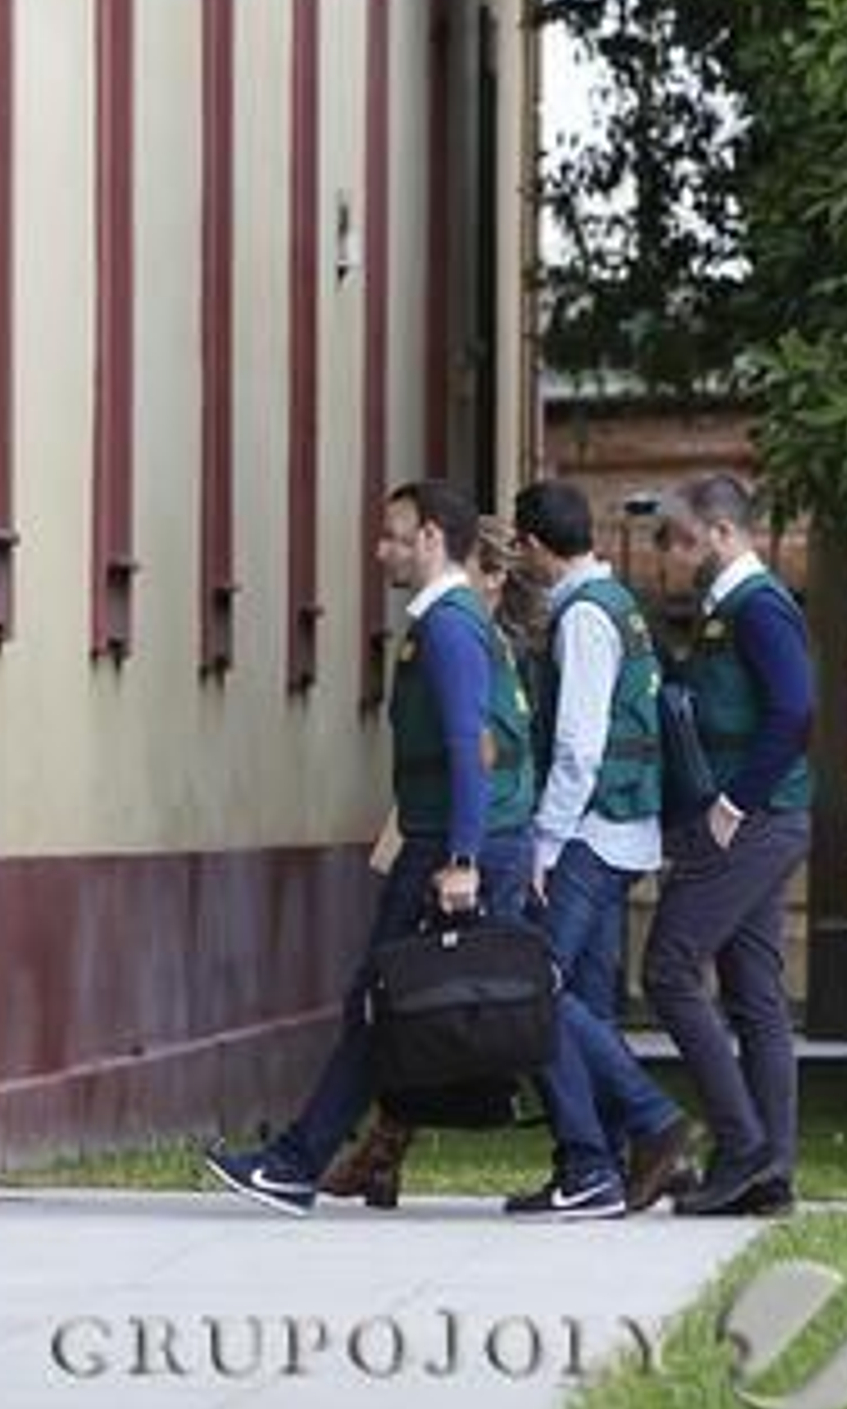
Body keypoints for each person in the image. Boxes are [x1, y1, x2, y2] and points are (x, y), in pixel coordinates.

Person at [205, 479, 535, 1216]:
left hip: (446, 849)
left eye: (393, 534)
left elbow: (466, 749)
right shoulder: (448, 621)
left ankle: (296, 1163)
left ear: (431, 540)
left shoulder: (448, 627)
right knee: (399, 1004)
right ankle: (301, 1161)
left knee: (477, 1007)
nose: (380, 548)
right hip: (450, 839)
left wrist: (462, 859)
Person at [324, 515, 542, 1208]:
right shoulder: (472, 638)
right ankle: (376, 1152)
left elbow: (477, 754)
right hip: (470, 833)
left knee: (505, 1005)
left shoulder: (461, 637)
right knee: (420, 999)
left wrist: (465, 855)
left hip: (484, 841)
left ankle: (627, 1135)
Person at [500, 480, 696, 1219]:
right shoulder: (619, 605)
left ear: (534, 543)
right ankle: (604, 1166)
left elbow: (579, 747)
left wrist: (545, 841)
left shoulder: (583, 616)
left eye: (518, 542)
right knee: (581, 999)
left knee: (531, 988)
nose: (517, 555)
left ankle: (644, 1126)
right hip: (623, 830)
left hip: (587, 833)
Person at [643, 475, 814, 1217]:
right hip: (760, 818)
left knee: (669, 968)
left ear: (720, 532)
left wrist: (734, 804)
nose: (674, 560)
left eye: (682, 542)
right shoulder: (732, 608)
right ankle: (768, 1171)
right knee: (754, 996)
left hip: (754, 819)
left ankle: (744, 1147)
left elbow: (795, 709)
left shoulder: (759, 606)